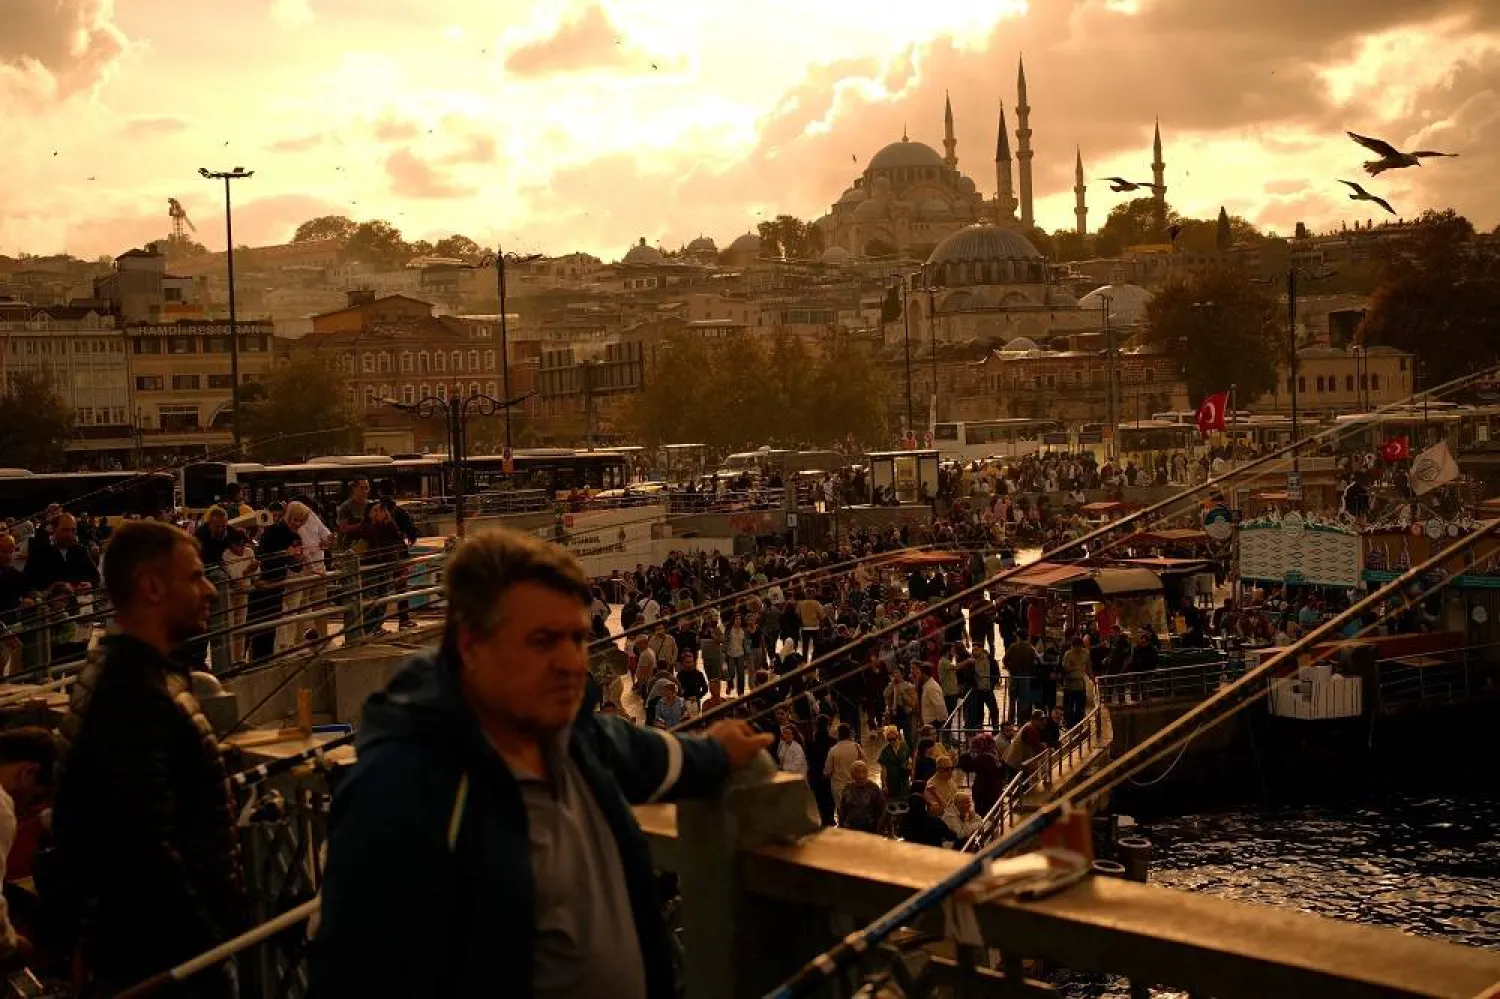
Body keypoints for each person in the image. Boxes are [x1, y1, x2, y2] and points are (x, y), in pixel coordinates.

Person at [312, 528, 771, 998]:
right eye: (543, 641)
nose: (571, 663)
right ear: (471, 646)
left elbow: (648, 755)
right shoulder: (398, 795)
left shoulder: (571, 739)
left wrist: (717, 751)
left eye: (576, 638)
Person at [53, 522, 244, 997]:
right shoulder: (135, 695)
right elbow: (141, 851)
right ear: (151, 586)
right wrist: (206, 954)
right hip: (166, 964)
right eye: (196, 576)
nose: (211, 589)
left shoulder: (124, 676)